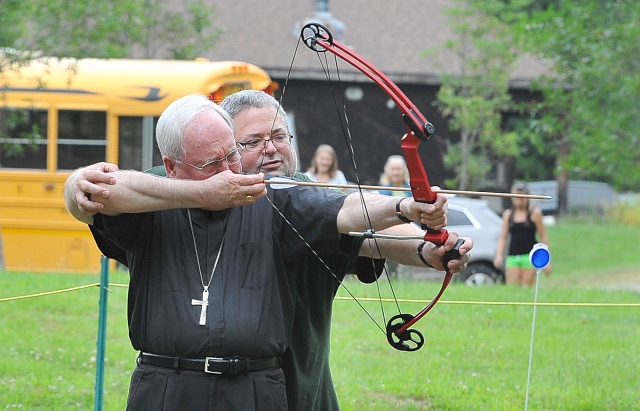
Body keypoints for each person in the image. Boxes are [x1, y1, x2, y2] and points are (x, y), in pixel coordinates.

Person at [65, 93, 472, 411]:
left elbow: (358, 221)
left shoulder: (295, 196)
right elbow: (93, 191)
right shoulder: (164, 189)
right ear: (177, 166)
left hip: (282, 387)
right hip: (173, 385)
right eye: (253, 142)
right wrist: (204, 191)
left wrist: (422, 235)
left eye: (279, 136)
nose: (270, 149)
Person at [494, 182, 551, 286]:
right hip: (513, 255)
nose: (519, 201)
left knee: (527, 287)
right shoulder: (508, 215)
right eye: (516, 198)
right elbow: (503, 237)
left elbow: (543, 236)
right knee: (512, 287)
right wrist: (499, 255)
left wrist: (546, 261)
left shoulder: (534, 214)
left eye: (522, 198)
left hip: (530, 255)